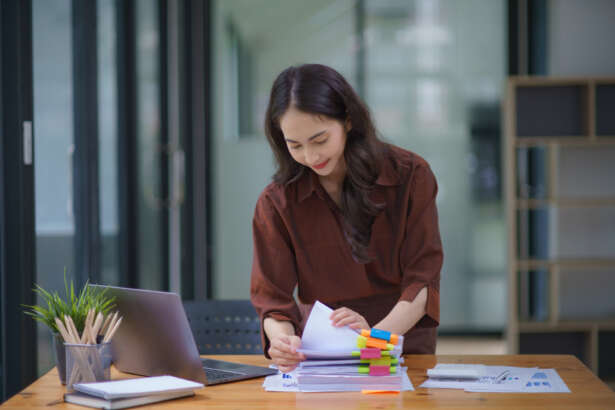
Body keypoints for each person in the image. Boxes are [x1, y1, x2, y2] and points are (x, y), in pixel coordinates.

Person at [250, 64, 443, 373]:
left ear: (348, 121)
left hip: (397, 335)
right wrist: (284, 342)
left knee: (388, 403)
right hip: (321, 347)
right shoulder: (277, 202)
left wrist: (373, 340)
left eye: (320, 139)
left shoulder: (410, 175)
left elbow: (422, 280)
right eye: (295, 145)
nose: (311, 157)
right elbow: (273, 299)